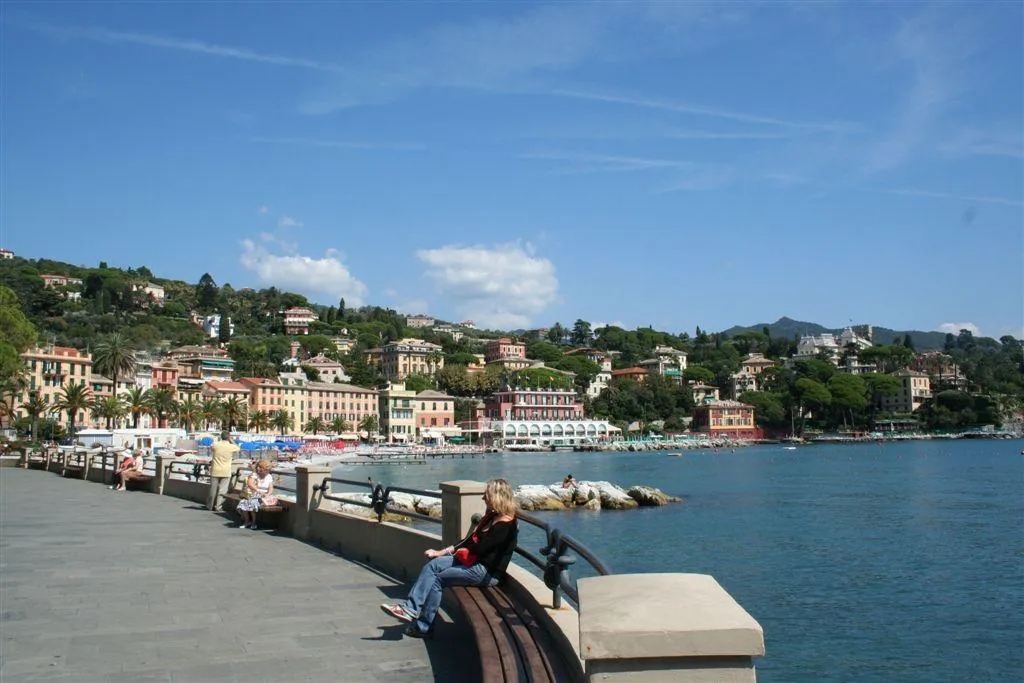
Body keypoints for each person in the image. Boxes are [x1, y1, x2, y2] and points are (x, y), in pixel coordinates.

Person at [381, 478, 519, 638]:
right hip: (472, 562)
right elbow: (468, 541)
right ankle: (409, 609)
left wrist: (464, 549)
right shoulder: (491, 517)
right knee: (433, 564)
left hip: (485, 572)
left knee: (438, 579)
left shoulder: (506, 526)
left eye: (486, 495)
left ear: (497, 496)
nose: (483, 498)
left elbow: (480, 548)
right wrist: (440, 553)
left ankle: (424, 626)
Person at [236, 459, 276, 530]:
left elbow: (271, 488)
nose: (258, 468)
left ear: (265, 468)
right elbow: (250, 484)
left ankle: (253, 522)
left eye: (260, 467)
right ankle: (247, 521)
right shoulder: (254, 475)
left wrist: (268, 494)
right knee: (245, 502)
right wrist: (258, 491)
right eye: (258, 466)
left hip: (264, 496)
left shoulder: (269, 476)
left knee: (252, 502)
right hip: (254, 494)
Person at [207, 431, 239, 511]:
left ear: (221, 437)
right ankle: (218, 507)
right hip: (226, 470)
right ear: (228, 437)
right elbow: (238, 448)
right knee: (222, 490)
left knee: (212, 490)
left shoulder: (215, 444)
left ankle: (210, 506)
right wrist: (231, 440)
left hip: (215, 470)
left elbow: (212, 449)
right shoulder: (231, 446)